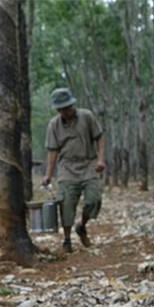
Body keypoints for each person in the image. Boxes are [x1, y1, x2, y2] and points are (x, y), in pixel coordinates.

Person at [41, 88, 106, 253]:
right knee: (66, 204)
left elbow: (99, 137)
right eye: (61, 109)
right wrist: (48, 175)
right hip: (67, 168)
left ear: (72, 104)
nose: (65, 111)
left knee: (94, 199)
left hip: (89, 163)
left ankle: (82, 226)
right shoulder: (54, 125)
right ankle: (67, 240)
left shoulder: (87, 116)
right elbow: (53, 151)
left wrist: (100, 159)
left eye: (68, 107)